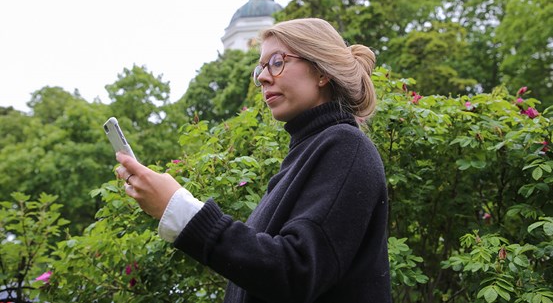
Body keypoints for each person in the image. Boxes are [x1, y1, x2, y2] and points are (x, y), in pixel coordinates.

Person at [116, 18, 391, 302]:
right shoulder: (306, 154)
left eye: (276, 62)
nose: (262, 77)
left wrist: (179, 210)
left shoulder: (346, 147)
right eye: (261, 67)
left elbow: (295, 272)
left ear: (321, 72)